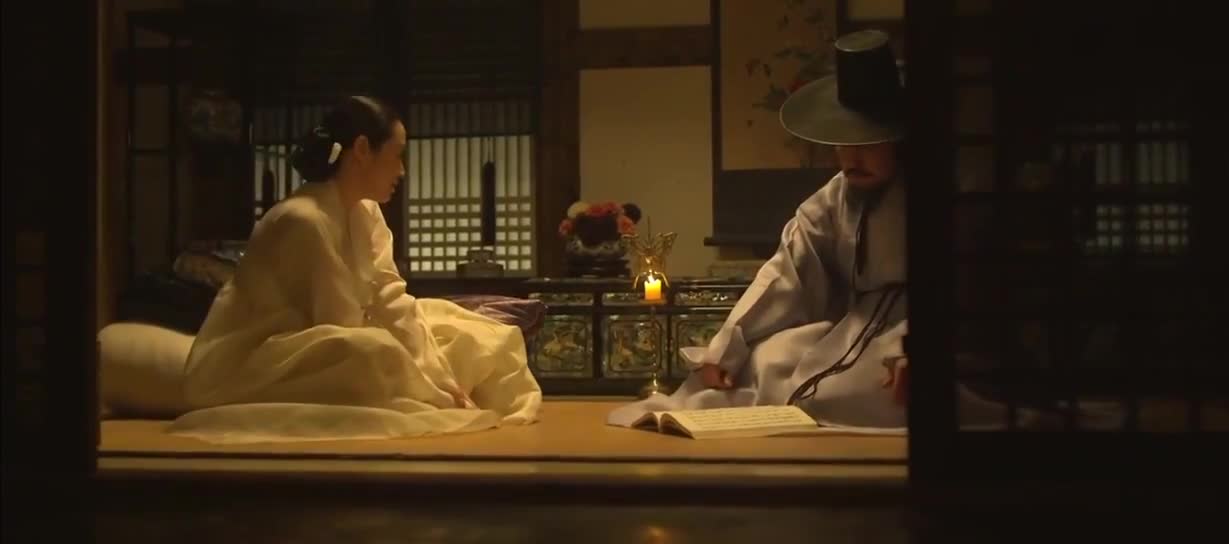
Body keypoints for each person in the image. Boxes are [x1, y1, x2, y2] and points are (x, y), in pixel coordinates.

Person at [607, 30, 1015, 431]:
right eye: (843, 143)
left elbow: (963, 287)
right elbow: (786, 274)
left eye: (868, 144)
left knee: (866, 390)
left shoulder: (943, 197)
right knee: (769, 359)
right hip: (851, 327)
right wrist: (727, 347)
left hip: (921, 330)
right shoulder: (832, 200)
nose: (851, 157)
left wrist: (916, 348)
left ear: (898, 140)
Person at [169, 96, 541, 443]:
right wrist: (429, 389)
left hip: (334, 338)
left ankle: (441, 388)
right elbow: (338, 321)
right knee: (370, 350)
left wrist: (439, 377)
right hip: (265, 354)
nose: (402, 170)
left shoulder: (366, 212)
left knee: (465, 329)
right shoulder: (304, 219)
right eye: (397, 154)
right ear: (362, 150)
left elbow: (391, 298)